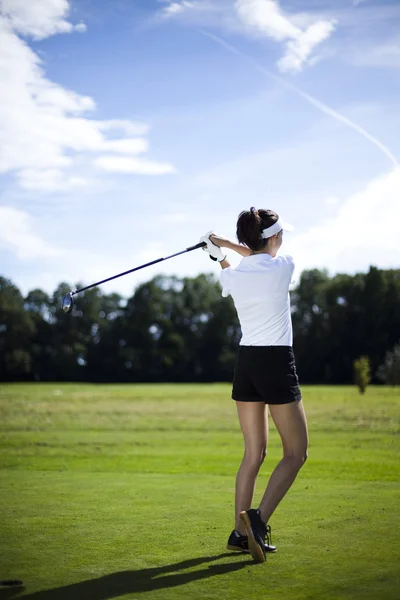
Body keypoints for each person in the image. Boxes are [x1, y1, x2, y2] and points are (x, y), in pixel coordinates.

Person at [200, 208, 308, 563]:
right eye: (281, 235)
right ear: (274, 237)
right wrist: (226, 246)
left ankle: (239, 533)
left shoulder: (234, 276)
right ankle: (257, 520)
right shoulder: (283, 267)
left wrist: (220, 253)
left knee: (253, 453)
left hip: (246, 363)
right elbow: (258, 255)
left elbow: (245, 260)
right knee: (295, 452)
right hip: (276, 362)